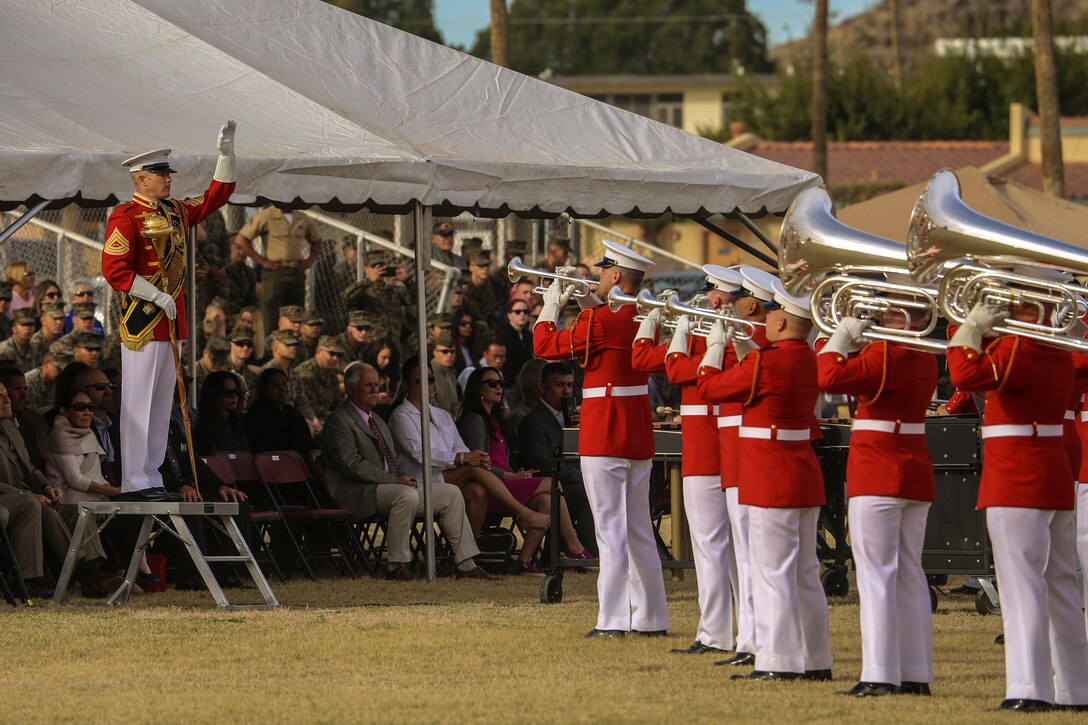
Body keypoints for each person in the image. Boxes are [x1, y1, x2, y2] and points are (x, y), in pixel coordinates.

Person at [946, 293, 1088, 712]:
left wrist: (971, 327)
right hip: (1052, 474)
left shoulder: (1020, 347)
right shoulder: (1059, 348)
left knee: (1021, 583)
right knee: (1061, 582)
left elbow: (962, 371)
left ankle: (1029, 688)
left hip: (1016, 476)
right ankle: (1076, 688)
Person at [696, 280, 833, 682]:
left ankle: (777, 660)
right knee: (805, 572)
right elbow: (760, 372)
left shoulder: (767, 363)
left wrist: (716, 345)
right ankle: (815, 658)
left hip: (769, 479)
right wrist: (742, 344)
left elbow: (709, 387)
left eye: (772, 310)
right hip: (801, 476)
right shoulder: (804, 357)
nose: (766, 315)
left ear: (780, 320)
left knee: (772, 572)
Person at [533, 240, 669, 638]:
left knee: (609, 532)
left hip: (604, 433)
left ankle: (612, 619)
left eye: (603, 272)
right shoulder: (644, 316)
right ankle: (651, 617)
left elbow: (544, 345)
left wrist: (552, 304)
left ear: (614, 275)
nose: (599, 276)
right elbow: (613, 326)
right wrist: (590, 298)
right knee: (640, 529)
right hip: (636, 434)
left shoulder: (598, 321)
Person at [100, 122, 237, 503]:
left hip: (170, 319)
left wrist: (226, 156)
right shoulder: (125, 216)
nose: (168, 181)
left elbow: (216, 197)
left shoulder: (176, 211)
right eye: (160, 175)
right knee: (138, 402)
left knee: (163, 404)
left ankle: (152, 475)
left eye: (167, 175)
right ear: (141, 179)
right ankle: (134, 480)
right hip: (143, 320)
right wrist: (153, 295)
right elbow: (114, 269)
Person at [817, 301, 937, 697]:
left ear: (899, 314)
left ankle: (880, 673)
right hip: (913, 468)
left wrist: (841, 337)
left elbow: (828, 374)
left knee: (876, 577)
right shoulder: (922, 353)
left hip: (878, 469)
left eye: (884, 311)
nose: (878, 316)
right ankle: (916, 672)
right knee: (908, 574)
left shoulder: (886, 353)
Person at [632, 292, 733, 657]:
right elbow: (641, 357)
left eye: (714, 296)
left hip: (711, 453)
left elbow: (673, 368)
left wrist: (675, 327)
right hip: (715, 451)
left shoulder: (722, 345)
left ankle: (716, 635)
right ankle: (736, 634)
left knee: (713, 550)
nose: (704, 301)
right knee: (728, 552)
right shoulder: (709, 342)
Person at [321, 363, 489, 580]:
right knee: (405, 495)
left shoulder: (378, 420)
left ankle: (466, 564)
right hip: (357, 491)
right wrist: (394, 480)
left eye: (376, 385)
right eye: (367, 385)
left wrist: (402, 478)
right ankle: (396, 565)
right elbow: (352, 465)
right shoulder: (339, 421)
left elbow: (392, 459)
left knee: (451, 493)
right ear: (350, 389)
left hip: (390, 487)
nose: (374, 390)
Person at [389, 359, 550, 545]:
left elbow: (459, 446)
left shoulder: (442, 415)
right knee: (475, 469)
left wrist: (472, 457)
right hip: (422, 480)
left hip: (453, 477)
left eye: (431, 379)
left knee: (477, 491)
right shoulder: (401, 416)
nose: (428, 384)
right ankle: (523, 513)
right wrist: (464, 459)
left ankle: (467, 555)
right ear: (406, 385)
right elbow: (421, 453)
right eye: (420, 379)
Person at [0, 381, 122, 597]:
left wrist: (46, 486)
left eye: (5, 394)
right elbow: (75, 480)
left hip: (30, 496)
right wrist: (26, 494)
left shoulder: (10, 428)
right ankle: (38, 579)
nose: (7, 399)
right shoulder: (59, 433)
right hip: (10, 497)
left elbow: (28, 468)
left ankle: (91, 569)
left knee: (76, 511)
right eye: (0, 396)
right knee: (35, 507)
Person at [708, 264, 772, 668]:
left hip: (748, 448)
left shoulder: (756, 339)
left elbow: (708, 384)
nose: (720, 302)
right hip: (746, 446)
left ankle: (751, 640)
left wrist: (713, 344)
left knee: (751, 555)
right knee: (749, 554)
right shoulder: (756, 338)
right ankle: (750, 637)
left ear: (751, 304)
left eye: (732, 297)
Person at [518, 361, 596, 555]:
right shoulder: (533, 422)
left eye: (570, 385)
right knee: (591, 492)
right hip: (555, 484)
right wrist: (585, 475)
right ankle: (588, 552)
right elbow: (543, 465)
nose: (566, 391)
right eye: (559, 385)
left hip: (575, 478)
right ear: (541, 387)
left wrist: (585, 430)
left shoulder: (577, 416)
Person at [234, 205, 322, 336]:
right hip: (275, 272)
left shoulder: (302, 218)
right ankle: (269, 349)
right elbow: (241, 239)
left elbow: (317, 240)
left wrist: (310, 259)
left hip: (296, 271)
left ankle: (293, 347)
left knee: (296, 316)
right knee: (271, 316)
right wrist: (262, 261)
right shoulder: (266, 216)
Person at [44, 387, 122, 503]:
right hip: (69, 500)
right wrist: (113, 492)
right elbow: (75, 479)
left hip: (95, 496)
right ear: (64, 411)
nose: (88, 413)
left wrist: (110, 488)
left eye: (91, 407)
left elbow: (95, 474)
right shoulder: (59, 436)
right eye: (80, 407)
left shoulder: (89, 433)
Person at [342, 250, 412, 345]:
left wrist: (407, 280)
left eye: (381, 266)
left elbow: (415, 301)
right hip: (371, 344)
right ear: (366, 269)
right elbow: (346, 297)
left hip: (394, 344)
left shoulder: (395, 291)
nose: (378, 270)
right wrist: (368, 280)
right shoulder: (362, 291)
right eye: (374, 267)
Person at [244, 368, 314, 461]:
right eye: (275, 385)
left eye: (284, 383)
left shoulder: (291, 411)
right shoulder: (258, 414)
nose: (282, 389)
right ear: (263, 389)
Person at [193, 370, 250, 456]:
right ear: (214, 395)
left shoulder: (237, 422)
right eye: (228, 393)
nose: (234, 396)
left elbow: (247, 454)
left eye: (236, 392)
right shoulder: (203, 428)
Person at [294, 335, 347, 425]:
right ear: (318, 351)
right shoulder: (305, 374)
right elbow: (310, 407)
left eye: (339, 355)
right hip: (309, 420)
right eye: (332, 353)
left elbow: (337, 401)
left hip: (326, 416)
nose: (335, 358)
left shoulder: (331, 372)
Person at [496, 299, 535, 384]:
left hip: (526, 382)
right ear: (509, 315)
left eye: (526, 312)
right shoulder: (503, 336)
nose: (522, 314)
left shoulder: (528, 335)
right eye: (517, 312)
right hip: (510, 383)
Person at [26, 341, 70, 414]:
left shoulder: (60, 380)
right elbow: (30, 413)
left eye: (63, 369)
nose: (61, 372)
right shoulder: (28, 382)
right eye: (58, 368)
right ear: (46, 363)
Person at [431, 332, 460, 416]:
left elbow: (455, 404)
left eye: (452, 351)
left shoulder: (451, 375)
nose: (449, 355)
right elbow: (431, 407)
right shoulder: (428, 374)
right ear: (435, 352)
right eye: (445, 351)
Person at [450, 308, 482, 375]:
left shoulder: (474, 347)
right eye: (463, 323)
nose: (468, 326)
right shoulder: (451, 348)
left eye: (471, 324)